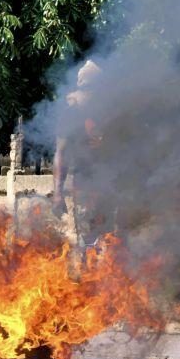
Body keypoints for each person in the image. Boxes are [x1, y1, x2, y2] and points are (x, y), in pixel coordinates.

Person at [53, 60, 112, 249]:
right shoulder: (71, 114)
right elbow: (60, 154)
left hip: (112, 182)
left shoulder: (111, 111)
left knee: (110, 236)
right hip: (85, 183)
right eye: (88, 89)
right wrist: (57, 193)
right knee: (88, 237)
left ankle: (107, 271)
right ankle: (89, 272)